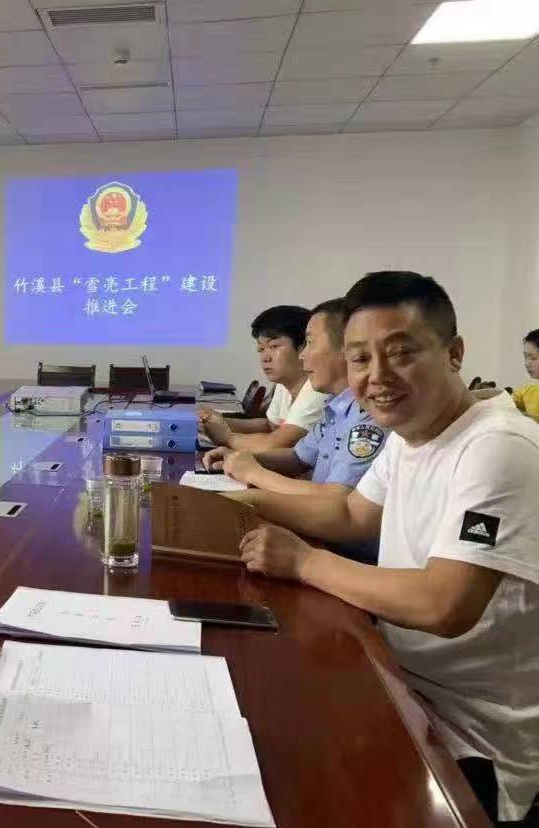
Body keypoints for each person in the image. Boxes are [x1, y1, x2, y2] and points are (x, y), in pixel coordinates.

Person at [236, 272, 538, 827]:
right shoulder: (411, 435)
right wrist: (238, 502)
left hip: (470, 740)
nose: (377, 376)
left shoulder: (498, 447)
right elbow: (351, 513)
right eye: (359, 358)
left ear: (453, 353)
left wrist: (305, 561)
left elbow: (444, 604)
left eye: (401, 353)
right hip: (399, 682)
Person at [203, 299, 387, 562]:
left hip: (343, 554)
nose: (302, 355)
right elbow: (297, 457)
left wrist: (255, 473)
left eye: (310, 343)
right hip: (316, 536)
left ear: (345, 350)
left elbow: (336, 499)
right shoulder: (337, 405)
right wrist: (243, 457)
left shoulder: (368, 417)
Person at [199, 305, 327, 451]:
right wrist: (214, 422)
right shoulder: (284, 383)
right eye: (261, 349)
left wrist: (226, 437)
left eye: (274, 346)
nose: (265, 358)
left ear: (302, 346)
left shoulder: (317, 389)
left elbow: (276, 443)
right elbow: (270, 426)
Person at [511, 328, 539, 420]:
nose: (526, 363)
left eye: (533, 358)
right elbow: (504, 403)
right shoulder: (528, 391)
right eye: (525, 357)